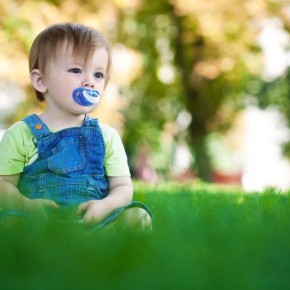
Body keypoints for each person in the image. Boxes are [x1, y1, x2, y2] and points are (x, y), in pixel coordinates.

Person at [0, 23, 152, 230]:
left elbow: (123, 188)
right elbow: (4, 185)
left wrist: (104, 206)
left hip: (94, 223)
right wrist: (26, 205)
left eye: (98, 75)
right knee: (9, 223)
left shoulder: (107, 137)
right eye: (76, 70)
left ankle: (99, 241)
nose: (90, 82)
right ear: (41, 81)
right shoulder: (20, 134)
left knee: (139, 216)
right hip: (37, 223)